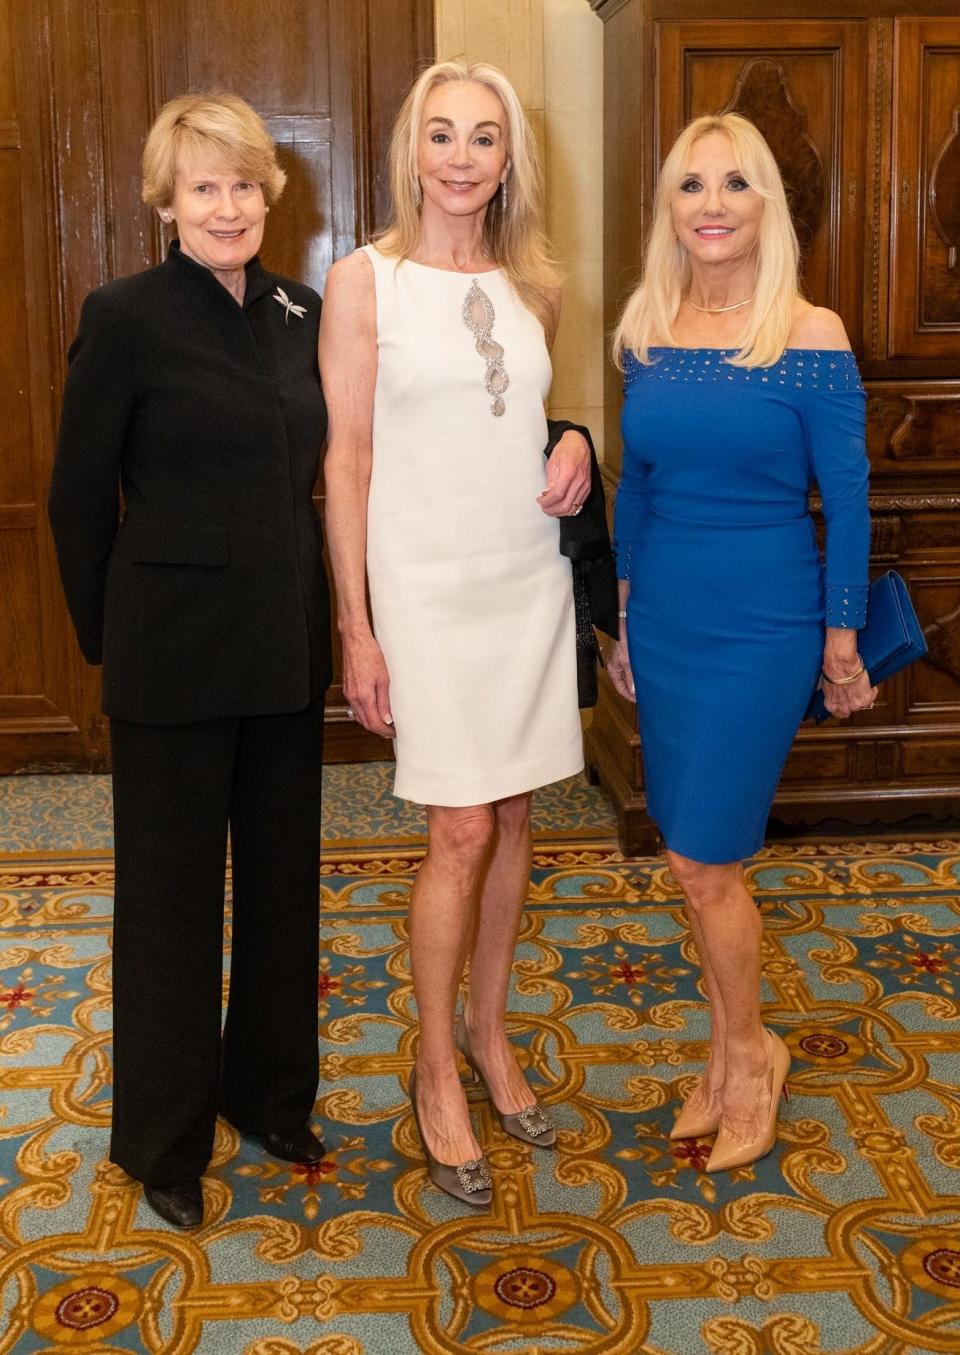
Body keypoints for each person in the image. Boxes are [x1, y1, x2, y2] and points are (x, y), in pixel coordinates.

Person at [48, 92, 331, 1229]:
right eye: (203, 186)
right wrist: (107, 638)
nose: (229, 205)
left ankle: (270, 1094)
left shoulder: (302, 312)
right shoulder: (122, 316)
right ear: (166, 202)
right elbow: (78, 501)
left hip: (282, 648)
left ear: (271, 194)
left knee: (280, 889)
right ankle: (162, 1136)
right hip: (168, 656)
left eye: (245, 183)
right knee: (169, 905)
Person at [319, 60, 592, 1207]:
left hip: (524, 579)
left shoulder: (542, 285)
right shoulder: (362, 279)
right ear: (411, 151)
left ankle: (489, 1032)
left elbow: (534, 414)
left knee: (517, 809)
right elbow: (347, 459)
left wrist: (573, 438)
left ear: (508, 158)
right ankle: (433, 1064)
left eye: (484, 137)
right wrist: (356, 626)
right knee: (461, 829)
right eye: (443, 134)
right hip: (423, 590)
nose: (463, 157)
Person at [606, 113, 874, 1172]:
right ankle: (728, 1048)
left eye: (734, 184)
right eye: (690, 185)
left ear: (769, 204)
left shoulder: (810, 334)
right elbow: (641, 488)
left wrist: (840, 637)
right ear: (668, 207)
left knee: (704, 856)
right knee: (686, 852)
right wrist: (622, 617)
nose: (711, 204)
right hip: (665, 616)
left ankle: (751, 1054)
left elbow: (847, 503)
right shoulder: (647, 326)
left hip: (763, 619)